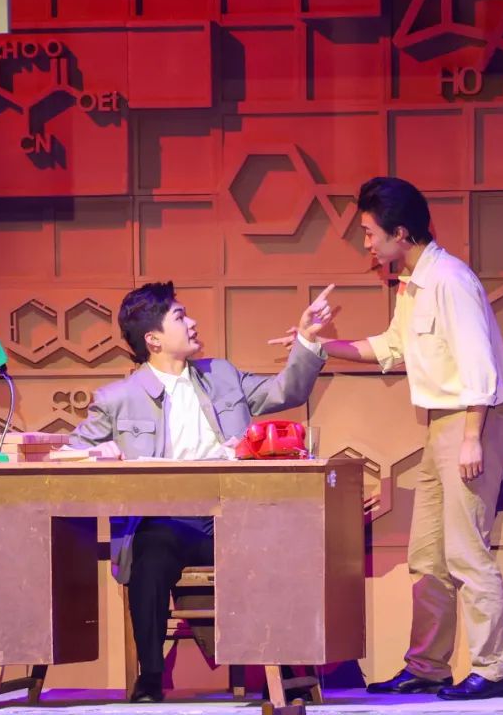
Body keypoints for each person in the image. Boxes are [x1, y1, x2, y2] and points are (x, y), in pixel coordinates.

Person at [278, 177, 503, 701]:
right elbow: (392, 348)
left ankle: (494, 669)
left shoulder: (450, 280)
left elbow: (479, 364)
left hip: (471, 420)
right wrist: (316, 345)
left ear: (401, 232)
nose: (366, 243)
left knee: (466, 551)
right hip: (440, 425)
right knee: (427, 555)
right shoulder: (412, 285)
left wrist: (472, 436)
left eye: (370, 232)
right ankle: (427, 667)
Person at [68, 280, 334, 703]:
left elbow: (287, 390)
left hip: (234, 515)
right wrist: (98, 453)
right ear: (153, 339)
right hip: (170, 522)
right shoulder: (118, 399)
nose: (192, 322)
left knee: (276, 543)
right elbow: (68, 453)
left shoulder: (221, 375)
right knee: (151, 554)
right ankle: (151, 677)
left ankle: (282, 670)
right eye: (180, 316)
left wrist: (306, 338)